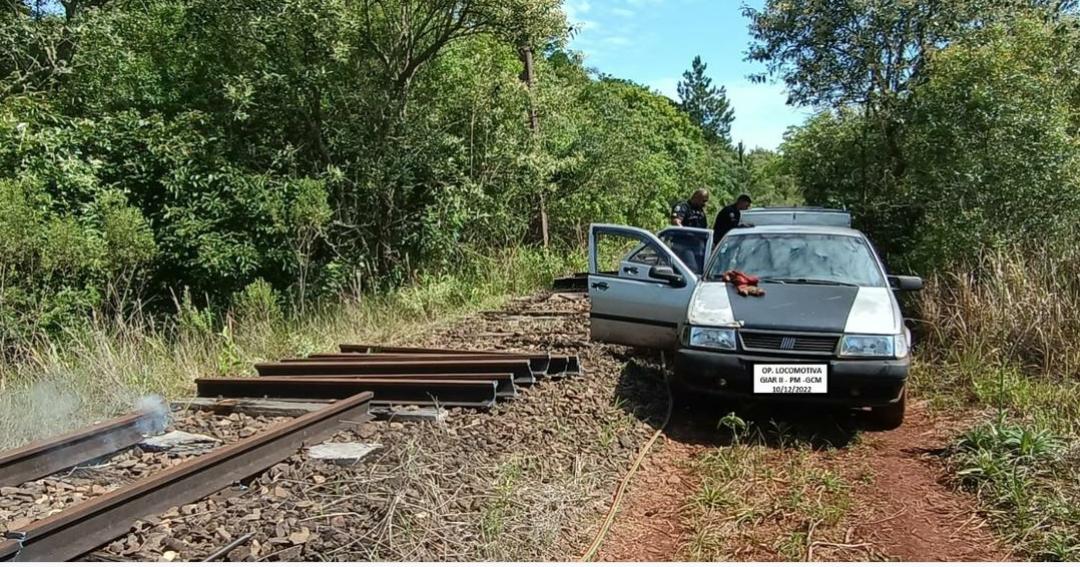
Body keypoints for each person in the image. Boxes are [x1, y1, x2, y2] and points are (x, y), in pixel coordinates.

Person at [668, 189, 710, 274]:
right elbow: (676, 222)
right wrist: (686, 232)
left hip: (698, 246)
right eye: (703, 200)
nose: (704, 204)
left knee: (701, 270)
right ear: (696, 197)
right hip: (684, 245)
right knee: (692, 268)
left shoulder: (700, 211)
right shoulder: (683, 206)